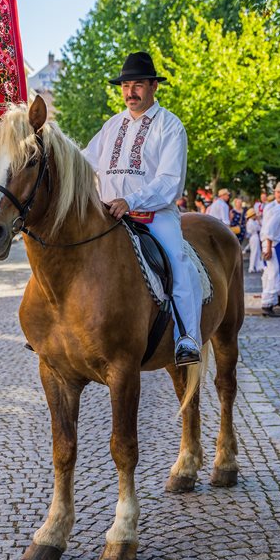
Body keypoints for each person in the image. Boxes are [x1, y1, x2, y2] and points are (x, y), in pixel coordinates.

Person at [83, 50, 202, 366]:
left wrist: (131, 201)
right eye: (125, 86)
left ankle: (187, 338)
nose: (129, 92)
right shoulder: (112, 125)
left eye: (136, 85)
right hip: (110, 215)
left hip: (153, 217)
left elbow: (169, 182)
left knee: (178, 262)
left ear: (153, 87)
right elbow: (85, 161)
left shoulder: (170, 126)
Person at [246, 208, 262, 273]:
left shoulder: (253, 221)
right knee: (254, 252)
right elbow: (257, 228)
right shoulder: (250, 222)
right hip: (253, 237)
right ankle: (251, 267)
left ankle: (257, 266)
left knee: (258, 252)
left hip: (255, 236)